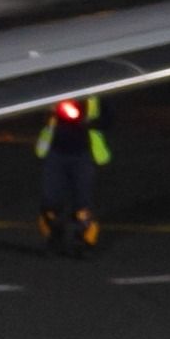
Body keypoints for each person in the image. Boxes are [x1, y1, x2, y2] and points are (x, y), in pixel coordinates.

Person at [36, 93, 110, 254]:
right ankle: (54, 239)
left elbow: (109, 119)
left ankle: (84, 243)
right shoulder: (54, 92)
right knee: (50, 203)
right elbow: (37, 115)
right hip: (55, 153)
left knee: (83, 207)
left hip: (83, 154)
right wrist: (50, 114)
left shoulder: (95, 95)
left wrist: (89, 122)